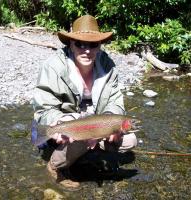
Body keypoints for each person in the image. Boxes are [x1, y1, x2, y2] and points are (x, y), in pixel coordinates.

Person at [32, 15, 137, 189]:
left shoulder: (108, 65)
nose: (86, 50)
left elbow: (115, 101)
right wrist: (57, 122)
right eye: (80, 44)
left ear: (100, 46)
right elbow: (44, 108)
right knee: (80, 137)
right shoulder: (53, 66)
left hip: (94, 124)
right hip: (66, 126)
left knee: (129, 140)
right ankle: (55, 167)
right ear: (71, 44)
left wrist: (110, 123)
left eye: (93, 44)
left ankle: (84, 155)